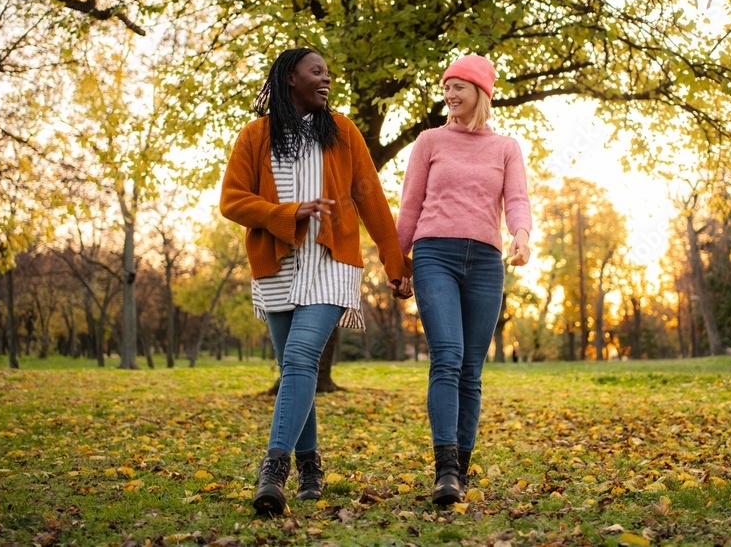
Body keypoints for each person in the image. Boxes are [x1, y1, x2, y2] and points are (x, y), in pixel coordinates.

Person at [220, 47, 412, 516]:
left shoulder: (343, 132)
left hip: (330, 263)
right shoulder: (255, 135)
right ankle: (310, 467)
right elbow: (232, 200)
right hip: (276, 265)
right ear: (291, 77)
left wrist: (396, 264)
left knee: (302, 356)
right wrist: (287, 213)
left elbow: (372, 200)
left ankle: (274, 471)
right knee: (294, 369)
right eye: (317, 71)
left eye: (328, 72)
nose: (326, 79)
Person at [396, 54, 532, 505]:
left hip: (487, 262)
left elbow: (517, 199)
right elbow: (410, 205)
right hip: (435, 254)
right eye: (447, 87)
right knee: (448, 357)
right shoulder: (430, 141)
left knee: (471, 370)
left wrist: (521, 235)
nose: (450, 94)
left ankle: (462, 468)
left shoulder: (506, 147)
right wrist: (397, 262)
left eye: (459, 86)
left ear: (481, 92)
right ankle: (446, 470)